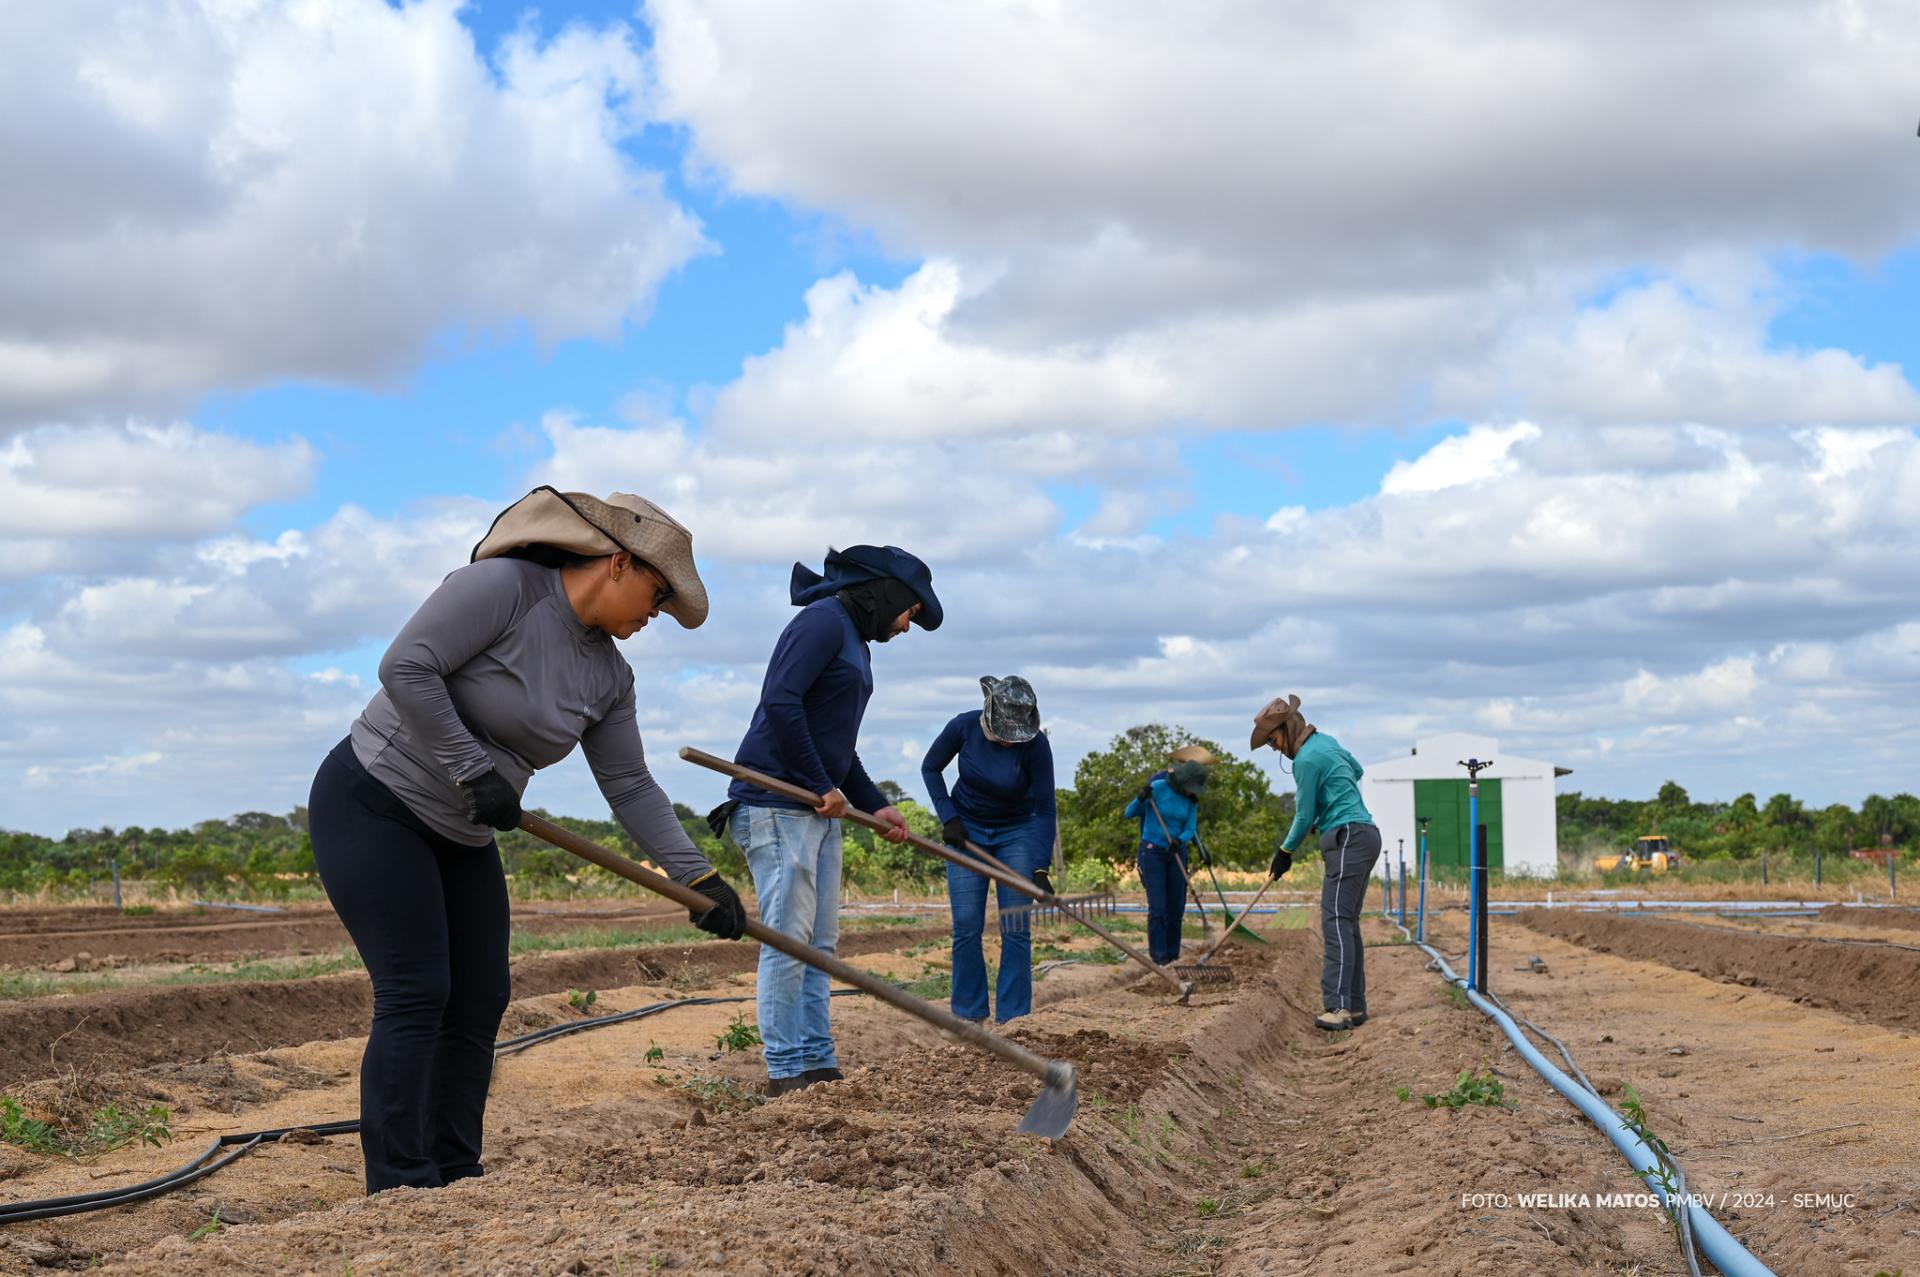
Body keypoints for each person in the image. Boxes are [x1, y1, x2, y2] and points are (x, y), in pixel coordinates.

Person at [308, 487, 747, 1194]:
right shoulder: (504, 588)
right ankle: (399, 1183)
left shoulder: (609, 674)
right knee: (418, 989)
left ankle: (456, 1170)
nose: (655, 614)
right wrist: (470, 765)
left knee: (480, 995)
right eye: (657, 593)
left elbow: (630, 783)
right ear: (617, 562)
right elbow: (405, 666)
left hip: (465, 828)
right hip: (375, 801)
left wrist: (698, 879)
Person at [718, 545, 940, 1097]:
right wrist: (820, 784)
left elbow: (842, 746)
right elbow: (782, 703)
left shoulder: (855, 643)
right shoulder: (820, 623)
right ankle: (784, 1071)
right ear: (885, 592)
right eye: (910, 610)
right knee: (790, 941)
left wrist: (874, 800)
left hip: (814, 807)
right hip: (775, 805)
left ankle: (817, 1061)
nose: (908, 625)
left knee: (820, 943)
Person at [920, 676, 1057, 1024]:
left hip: (1017, 833)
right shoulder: (964, 726)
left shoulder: (1036, 746)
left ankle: (1013, 1020)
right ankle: (969, 1017)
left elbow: (1044, 808)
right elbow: (930, 768)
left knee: (1015, 925)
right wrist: (949, 817)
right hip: (966, 831)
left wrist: (1040, 868)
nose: (1011, 743)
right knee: (966, 925)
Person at [1253, 694, 1379, 1031]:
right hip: (1364, 834)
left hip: (1347, 835)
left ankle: (1337, 1008)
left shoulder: (1305, 761)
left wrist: (1285, 851)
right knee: (1346, 922)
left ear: (1287, 728)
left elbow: (1304, 814)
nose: (1275, 748)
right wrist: (1332, 798)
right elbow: (1357, 769)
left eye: (1273, 740)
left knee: (1336, 921)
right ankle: (1354, 1007)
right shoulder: (1327, 743)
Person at [1125, 754, 1212, 965]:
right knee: (1158, 908)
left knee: (1176, 908)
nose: (1194, 791)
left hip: (1176, 853)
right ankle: (1159, 959)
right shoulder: (1158, 788)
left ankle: (1174, 956)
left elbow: (1190, 828)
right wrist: (1141, 798)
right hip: (1152, 852)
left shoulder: (1190, 801)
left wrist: (1179, 841)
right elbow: (1129, 813)